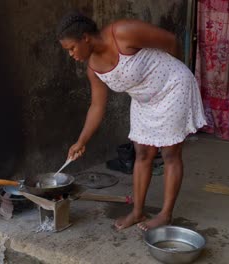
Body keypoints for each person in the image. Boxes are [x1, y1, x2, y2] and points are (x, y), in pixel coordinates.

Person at [56, 11, 206, 231]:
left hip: (174, 87)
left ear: (85, 37)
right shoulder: (93, 68)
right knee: (143, 153)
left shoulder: (122, 33)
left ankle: (165, 215)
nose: (71, 54)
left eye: (72, 48)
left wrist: (171, 72)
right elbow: (97, 106)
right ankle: (137, 212)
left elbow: (171, 42)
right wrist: (81, 141)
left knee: (169, 154)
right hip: (144, 100)